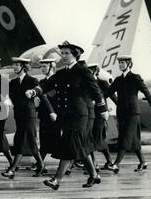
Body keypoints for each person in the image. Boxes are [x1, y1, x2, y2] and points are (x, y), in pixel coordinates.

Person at [41, 41, 109, 190]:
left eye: (67, 53)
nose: (63, 56)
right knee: (79, 146)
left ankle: (56, 180)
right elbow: (46, 84)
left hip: (81, 115)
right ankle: (94, 175)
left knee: (69, 145)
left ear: (75, 55)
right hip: (67, 116)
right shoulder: (62, 72)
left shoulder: (82, 70)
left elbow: (95, 90)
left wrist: (102, 108)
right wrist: (34, 91)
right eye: (62, 53)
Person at [105, 55, 151, 173]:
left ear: (129, 64)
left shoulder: (135, 77)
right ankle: (143, 162)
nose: (120, 65)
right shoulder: (118, 80)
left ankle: (116, 164)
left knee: (125, 137)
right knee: (134, 139)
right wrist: (96, 100)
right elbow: (108, 92)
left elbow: (145, 90)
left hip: (133, 113)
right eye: (119, 63)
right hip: (122, 113)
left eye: (123, 63)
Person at [2, 57, 49, 179]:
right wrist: (7, 101)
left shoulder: (31, 80)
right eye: (14, 65)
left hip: (29, 114)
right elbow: (7, 96)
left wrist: (50, 111)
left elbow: (40, 92)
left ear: (24, 67)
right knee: (29, 140)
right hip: (19, 114)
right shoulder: (13, 82)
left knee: (22, 139)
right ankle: (42, 166)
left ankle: (12, 169)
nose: (15, 67)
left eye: (17, 65)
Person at [87, 63, 117, 169]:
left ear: (96, 70)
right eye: (88, 70)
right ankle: (106, 161)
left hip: (100, 115)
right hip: (90, 114)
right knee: (93, 138)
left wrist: (121, 107)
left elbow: (113, 96)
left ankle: (96, 164)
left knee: (98, 138)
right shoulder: (86, 83)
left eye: (91, 70)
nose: (89, 72)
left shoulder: (102, 83)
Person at [37, 58, 59, 164]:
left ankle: (67, 164)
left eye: (45, 66)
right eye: (41, 66)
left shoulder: (57, 80)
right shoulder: (42, 82)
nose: (42, 68)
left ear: (52, 66)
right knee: (44, 139)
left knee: (57, 139)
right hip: (44, 114)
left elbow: (54, 94)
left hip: (54, 113)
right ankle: (40, 163)